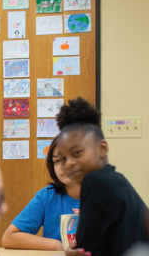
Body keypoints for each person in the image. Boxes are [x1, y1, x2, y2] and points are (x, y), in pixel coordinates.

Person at [55, 97, 148, 256]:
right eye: (62, 159)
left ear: (102, 149)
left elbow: (85, 250)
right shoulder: (114, 180)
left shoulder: (96, 182)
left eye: (76, 153)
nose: (68, 163)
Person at [2, 136, 80, 250]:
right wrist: (57, 245)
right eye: (57, 160)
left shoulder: (105, 196)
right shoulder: (47, 196)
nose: (62, 166)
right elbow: (9, 238)